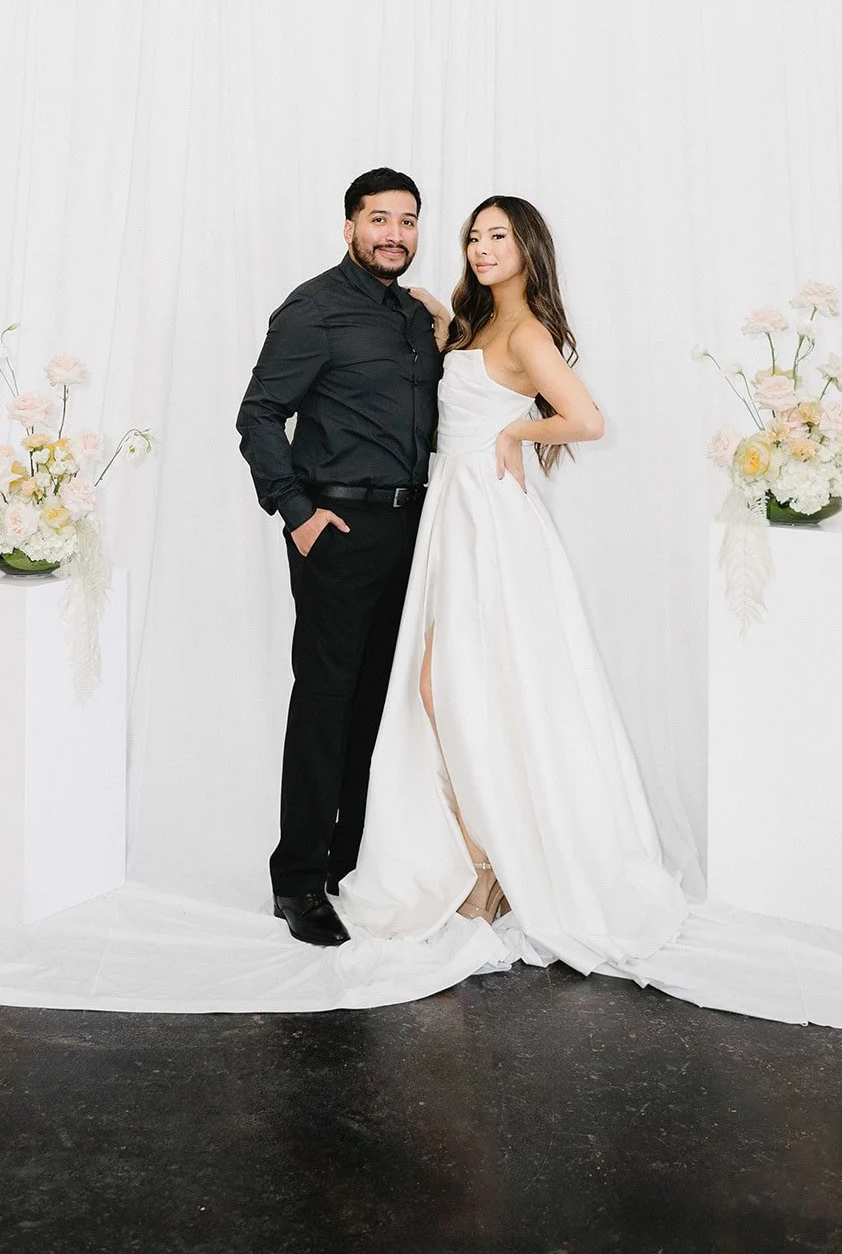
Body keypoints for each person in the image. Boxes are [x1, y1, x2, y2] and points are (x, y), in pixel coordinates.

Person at [339, 196, 688, 974]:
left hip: (489, 518)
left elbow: (586, 419)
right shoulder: (475, 323)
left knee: (462, 686)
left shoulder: (527, 331)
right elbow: (457, 373)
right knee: (446, 688)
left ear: (528, 247)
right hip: (452, 509)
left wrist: (516, 430)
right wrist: (436, 315)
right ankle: (480, 858)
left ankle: (488, 868)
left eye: (498, 236)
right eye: (473, 236)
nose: (481, 247)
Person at [236, 167, 444, 947]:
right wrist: (296, 513)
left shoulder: (414, 316)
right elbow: (259, 414)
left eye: (407, 220)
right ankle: (297, 881)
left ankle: (347, 862)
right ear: (350, 226)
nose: (394, 233)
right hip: (339, 528)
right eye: (378, 219)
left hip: (411, 526)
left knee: (378, 702)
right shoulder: (314, 308)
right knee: (326, 699)